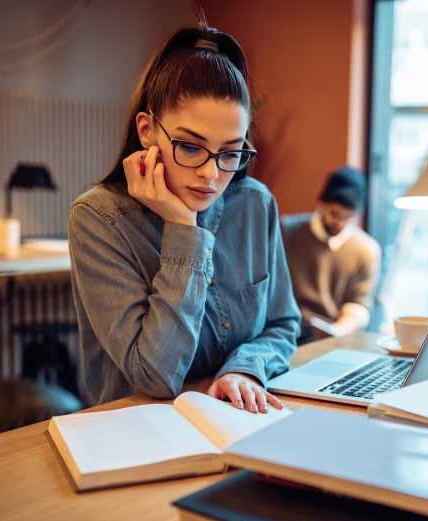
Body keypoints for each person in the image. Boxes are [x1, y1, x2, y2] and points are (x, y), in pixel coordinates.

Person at [68, 23, 300, 411]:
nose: (211, 174)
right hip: (135, 433)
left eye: (230, 152)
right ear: (146, 130)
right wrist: (182, 229)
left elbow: (283, 325)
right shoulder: (98, 218)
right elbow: (155, 376)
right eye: (190, 147)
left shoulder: (255, 204)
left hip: (236, 418)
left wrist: (242, 369)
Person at [281, 166, 381, 344]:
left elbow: (359, 304)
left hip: (335, 337)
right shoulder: (286, 231)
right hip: (286, 333)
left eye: (349, 217)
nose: (340, 222)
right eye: (335, 214)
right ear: (321, 203)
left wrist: (336, 332)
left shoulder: (366, 249)